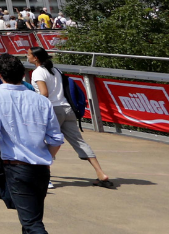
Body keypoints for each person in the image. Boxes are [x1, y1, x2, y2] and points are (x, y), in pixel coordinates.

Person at [0, 54, 64, 234]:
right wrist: (48, 158)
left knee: (32, 223)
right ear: (23, 75)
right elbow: (56, 138)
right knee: (32, 218)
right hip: (41, 168)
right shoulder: (42, 101)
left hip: (17, 167)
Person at [27, 47, 114, 188]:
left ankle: (46, 178)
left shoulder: (38, 72)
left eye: (29, 54)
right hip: (67, 109)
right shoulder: (56, 70)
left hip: (52, 111)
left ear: (35, 58)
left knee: (46, 143)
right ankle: (100, 173)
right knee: (79, 142)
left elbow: (44, 93)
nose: (27, 56)